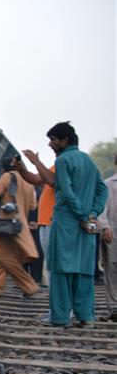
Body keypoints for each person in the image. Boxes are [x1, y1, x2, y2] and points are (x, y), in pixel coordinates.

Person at [45, 122, 108, 327]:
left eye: (53, 139)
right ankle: (86, 317)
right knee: (84, 270)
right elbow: (102, 190)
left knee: (61, 270)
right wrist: (92, 213)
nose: (50, 144)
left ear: (65, 140)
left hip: (67, 222)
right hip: (87, 225)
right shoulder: (88, 161)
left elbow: (66, 191)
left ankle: (61, 317)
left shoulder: (63, 160)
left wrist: (81, 215)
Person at [0, 155, 39, 297]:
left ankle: (29, 286)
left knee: (4, 257)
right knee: (1, 255)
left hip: (6, 223)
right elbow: (34, 205)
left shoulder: (7, 177)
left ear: (4, 168)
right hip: (21, 225)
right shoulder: (29, 182)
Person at [17, 150, 56, 286]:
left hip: (42, 224)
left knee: (40, 255)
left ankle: (38, 279)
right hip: (29, 225)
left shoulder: (44, 189)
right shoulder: (24, 191)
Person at [96, 153, 117, 320]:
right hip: (113, 233)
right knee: (112, 270)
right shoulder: (108, 185)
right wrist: (104, 227)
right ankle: (114, 308)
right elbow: (100, 209)